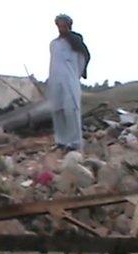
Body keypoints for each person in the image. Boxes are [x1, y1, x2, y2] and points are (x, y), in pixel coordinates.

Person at [47, 14, 90, 151]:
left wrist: (74, 76)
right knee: (58, 110)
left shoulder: (75, 42)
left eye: (64, 24)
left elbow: (82, 59)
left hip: (70, 80)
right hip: (55, 80)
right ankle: (61, 141)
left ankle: (74, 142)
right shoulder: (54, 44)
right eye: (59, 24)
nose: (62, 27)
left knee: (71, 110)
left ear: (69, 25)